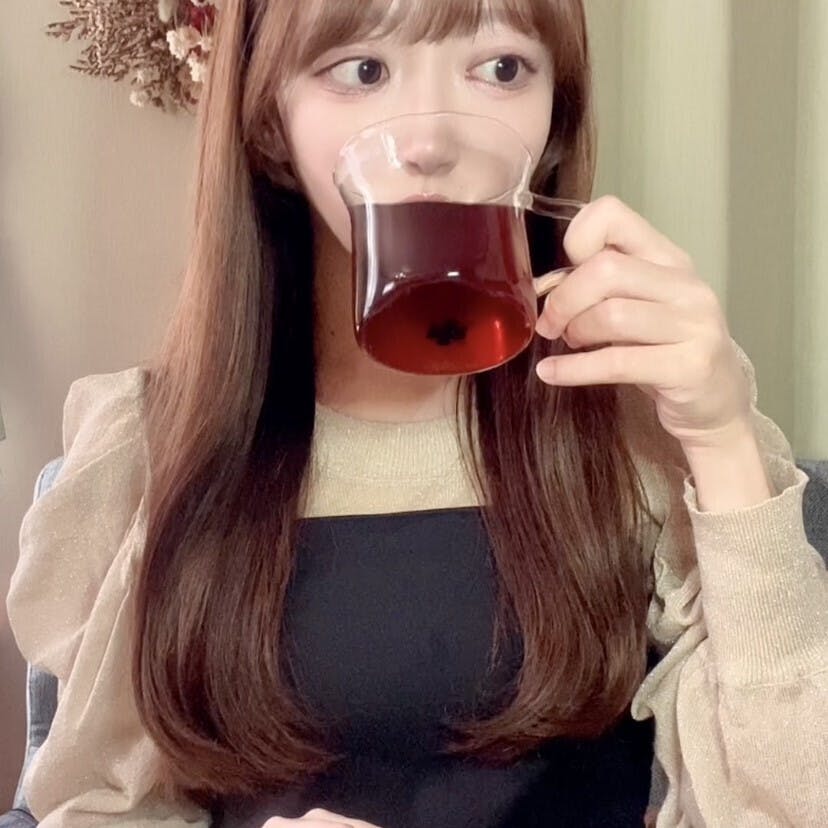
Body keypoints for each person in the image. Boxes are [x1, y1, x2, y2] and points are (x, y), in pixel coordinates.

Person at [6, 1, 827, 826]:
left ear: (554, 118)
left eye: (501, 68)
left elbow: (789, 807)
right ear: (270, 125)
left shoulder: (642, 424)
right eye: (364, 70)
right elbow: (96, 806)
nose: (432, 139)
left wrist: (722, 442)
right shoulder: (150, 452)